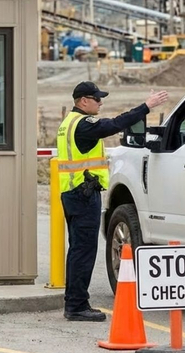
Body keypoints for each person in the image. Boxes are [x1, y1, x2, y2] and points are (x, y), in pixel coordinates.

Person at [57, 81, 168, 321]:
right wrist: (146, 107)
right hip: (83, 194)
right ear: (83, 101)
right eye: (97, 99)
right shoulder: (83, 125)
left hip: (73, 193)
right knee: (83, 251)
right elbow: (115, 124)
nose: (101, 102)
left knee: (78, 249)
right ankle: (76, 306)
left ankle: (74, 302)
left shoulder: (68, 123)